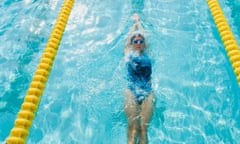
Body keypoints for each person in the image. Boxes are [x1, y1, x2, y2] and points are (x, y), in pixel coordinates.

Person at [124, 13, 154, 144]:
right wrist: (134, 25)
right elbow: (127, 39)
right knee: (133, 128)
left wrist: (139, 23)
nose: (138, 43)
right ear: (131, 43)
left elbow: (144, 36)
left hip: (147, 91)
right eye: (135, 41)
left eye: (140, 41)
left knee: (143, 128)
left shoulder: (147, 52)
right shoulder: (128, 52)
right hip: (131, 90)